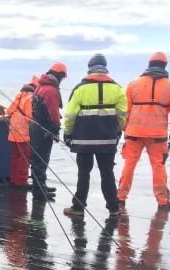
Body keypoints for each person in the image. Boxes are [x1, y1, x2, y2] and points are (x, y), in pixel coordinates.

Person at [62, 54, 127, 217]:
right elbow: (123, 115)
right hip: (108, 140)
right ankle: (113, 208)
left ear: (89, 69)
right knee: (107, 173)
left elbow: (70, 115)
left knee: (84, 173)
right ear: (105, 68)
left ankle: (78, 207)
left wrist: (67, 134)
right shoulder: (117, 89)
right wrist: (118, 131)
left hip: (83, 140)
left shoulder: (79, 89)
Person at [117, 51, 170, 210]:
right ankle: (162, 201)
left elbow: (126, 110)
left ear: (149, 64)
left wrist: (124, 129)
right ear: (165, 66)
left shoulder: (133, 84)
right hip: (158, 135)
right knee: (158, 166)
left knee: (129, 165)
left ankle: (120, 198)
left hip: (134, 133)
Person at [30, 62, 67, 200]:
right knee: (42, 159)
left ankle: (39, 186)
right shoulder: (51, 90)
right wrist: (56, 129)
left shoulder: (40, 86)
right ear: (61, 76)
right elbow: (53, 113)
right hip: (43, 129)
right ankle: (39, 190)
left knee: (37, 159)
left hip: (36, 126)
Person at [6, 75, 39, 190]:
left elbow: (9, 111)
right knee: (24, 159)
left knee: (15, 157)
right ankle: (21, 182)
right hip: (24, 133)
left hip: (13, 132)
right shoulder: (30, 98)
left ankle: (14, 180)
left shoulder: (19, 96)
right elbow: (31, 116)